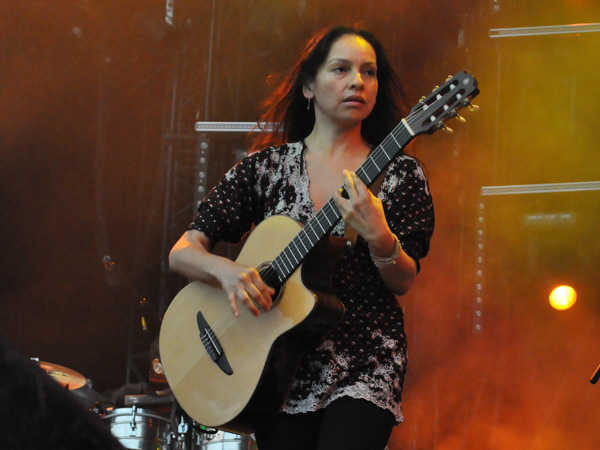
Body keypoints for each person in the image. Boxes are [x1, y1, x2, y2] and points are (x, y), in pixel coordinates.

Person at [168, 25, 435, 450]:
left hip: (364, 360)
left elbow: (403, 280)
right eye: (341, 69)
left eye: (369, 73)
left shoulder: (401, 175)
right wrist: (231, 274)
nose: (357, 82)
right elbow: (183, 252)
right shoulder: (265, 169)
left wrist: (378, 232)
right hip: (277, 367)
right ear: (309, 86)